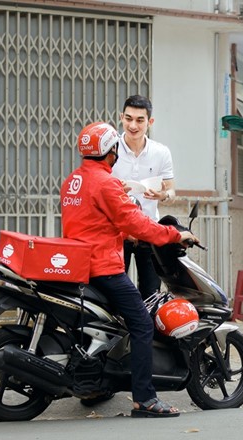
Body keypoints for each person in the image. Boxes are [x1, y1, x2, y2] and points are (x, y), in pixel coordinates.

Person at [61, 121, 198, 418]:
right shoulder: (106, 182)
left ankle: (97, 386)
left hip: (81, 264)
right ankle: (145, 399)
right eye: (115, 150)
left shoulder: (74, 180)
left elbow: (90, 222)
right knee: (141, 324)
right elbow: (135, 220)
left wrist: (125, 234)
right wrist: (175, 235)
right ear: (111, 152)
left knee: (110, 323)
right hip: (103, 267)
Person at [111, 95, 175, 300]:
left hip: (149, 230)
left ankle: (148, 331)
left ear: (150, 122)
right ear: (121, 117)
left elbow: (172, 192)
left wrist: (163, 194)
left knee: (151, 293)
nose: (133, 125)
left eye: (140, 120)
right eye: (128, 118)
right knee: (115, 293)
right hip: (117, 233)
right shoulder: (110, 149)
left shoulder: (161, 152)